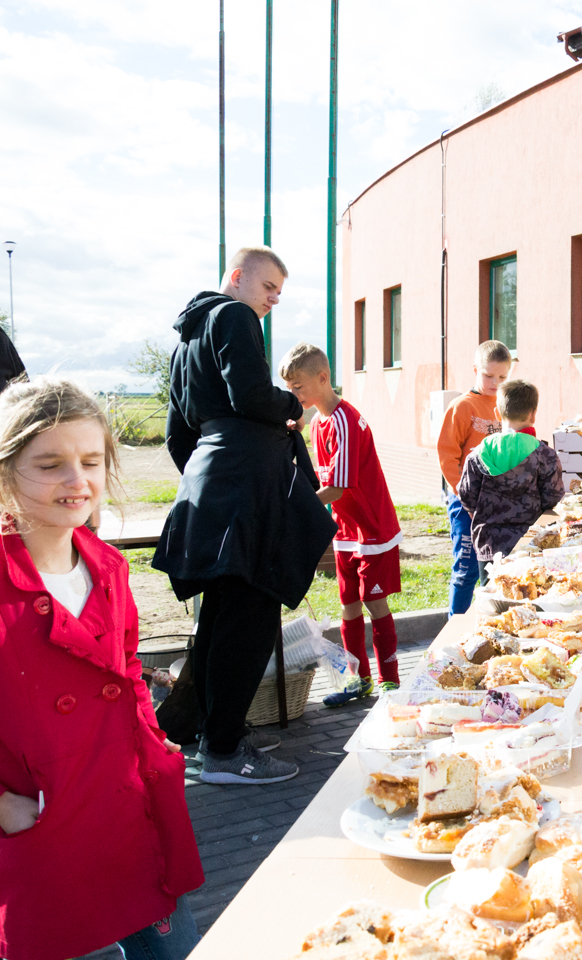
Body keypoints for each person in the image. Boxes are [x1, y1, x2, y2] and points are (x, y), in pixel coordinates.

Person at [0, 378, 204, 960]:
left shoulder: (108, 567)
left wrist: (153, 739)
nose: (77, 480)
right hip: (45, 821)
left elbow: (127, 669)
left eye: (91, 461)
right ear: (5, 473)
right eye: (50, 465)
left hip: (129, 809)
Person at [154, 246, 336, 785]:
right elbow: (253, 395)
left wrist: (211, 477)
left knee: (219, 620)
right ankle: (225, 753)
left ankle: (213, 731)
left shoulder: (187, 339)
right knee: (249, 622)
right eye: (268, 286)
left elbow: (176, 435)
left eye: (280, 291)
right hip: (247, 492)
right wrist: (293, 409)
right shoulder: (233, 314)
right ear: (237, 278)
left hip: (213, 486)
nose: (274, 299)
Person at [281, 343, 405, 705]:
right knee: (348, 604)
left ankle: (390, 680)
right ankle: (358, 678)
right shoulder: (319, 422)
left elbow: (336, 488)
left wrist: (295, 510)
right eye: (289, 388)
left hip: (373, 530)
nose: (293, 394)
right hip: (346, 531)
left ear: (322, 378)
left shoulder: (345, 421)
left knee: (374, 602)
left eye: (298, 387)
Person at [437, 340, 511, 615]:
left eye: (502, 377)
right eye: (489, 375)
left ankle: (486, 625)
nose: (495, 383)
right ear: (475, 369)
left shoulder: (506, 406)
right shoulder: (461, 407)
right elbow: (447, 455)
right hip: (465, 504)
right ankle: (455, 628)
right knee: (466, 570)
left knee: (494, 570)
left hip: (497, 504)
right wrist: (464, 496)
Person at [456, 379, 565, 565]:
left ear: (497, 413)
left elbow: (466, 496)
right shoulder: (545, 455)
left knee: (491, 584)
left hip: (489, 545)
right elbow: (553, 497)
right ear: (533, 415)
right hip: (532, 543)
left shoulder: (477, 455)